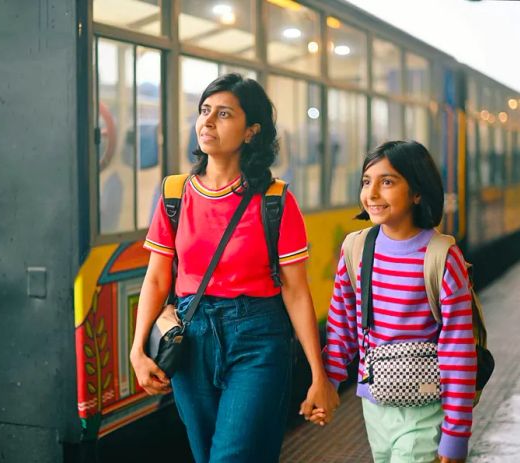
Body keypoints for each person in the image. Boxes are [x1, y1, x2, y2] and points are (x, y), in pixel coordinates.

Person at [129, 73, 339, 463]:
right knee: (207, 454)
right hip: (191, 340)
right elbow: (158, 277)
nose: (207, 122)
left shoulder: (275, 201)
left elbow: (295, 290)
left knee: (231, 456)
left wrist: (317, 373)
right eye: (204, 111)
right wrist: (137, 349)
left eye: (223, 114)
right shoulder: (175, 194)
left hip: (258, 340)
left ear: (251, 132)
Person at [317, 141, 476, 463]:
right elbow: (341, 328)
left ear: (417, 192)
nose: (372, 193)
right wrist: (328, 383)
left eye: (387, 182)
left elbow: (458, 349)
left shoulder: (442, 257)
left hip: (426, 406)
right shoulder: (356, 249)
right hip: (373, 403)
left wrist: (456, 435)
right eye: (366, 181)